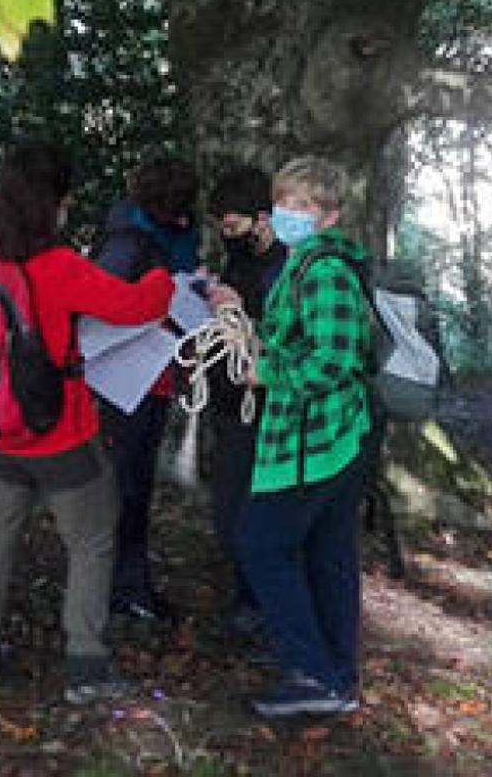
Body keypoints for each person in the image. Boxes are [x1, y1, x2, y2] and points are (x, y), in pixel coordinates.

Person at [0, 142, 175, 705]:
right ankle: (86, 664)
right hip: (58, 434)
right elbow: (134, 307)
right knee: (93, 538)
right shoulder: (60, 265)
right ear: (56, 203)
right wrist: (166, 280)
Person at [237, 155, 373, 717]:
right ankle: (335, 675)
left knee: (261, 544)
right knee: (327, 552)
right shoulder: (302, 265)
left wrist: (265, 372)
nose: (288, 213)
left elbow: (334, 361)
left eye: (304, 205)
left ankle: (314, 674)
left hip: (317, 440)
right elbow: (292, 335)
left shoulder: (325, 271)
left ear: (330, 216)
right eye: (284, 201)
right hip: (322, 440)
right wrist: (243, 321)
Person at [92, 154, 200, 624]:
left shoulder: (178, 228)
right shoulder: (125, 239)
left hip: (158, 373)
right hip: (125, 380)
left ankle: (132, 585)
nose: (182, 218)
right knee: (124, 486)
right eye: (173, 209)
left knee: (138, 484)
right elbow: (102, 309)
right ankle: (120, 590)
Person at [201, 163, 291, 634]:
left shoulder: (289, 265)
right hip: (229, 400)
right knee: (230, 503)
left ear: (261, 217)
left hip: (266, 404)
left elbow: (286, 336)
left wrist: (240, 311)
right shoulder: (241, 257)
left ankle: (262, 606)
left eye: (233, 224)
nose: (226, 233)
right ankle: (246, 596)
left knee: (255, 505)